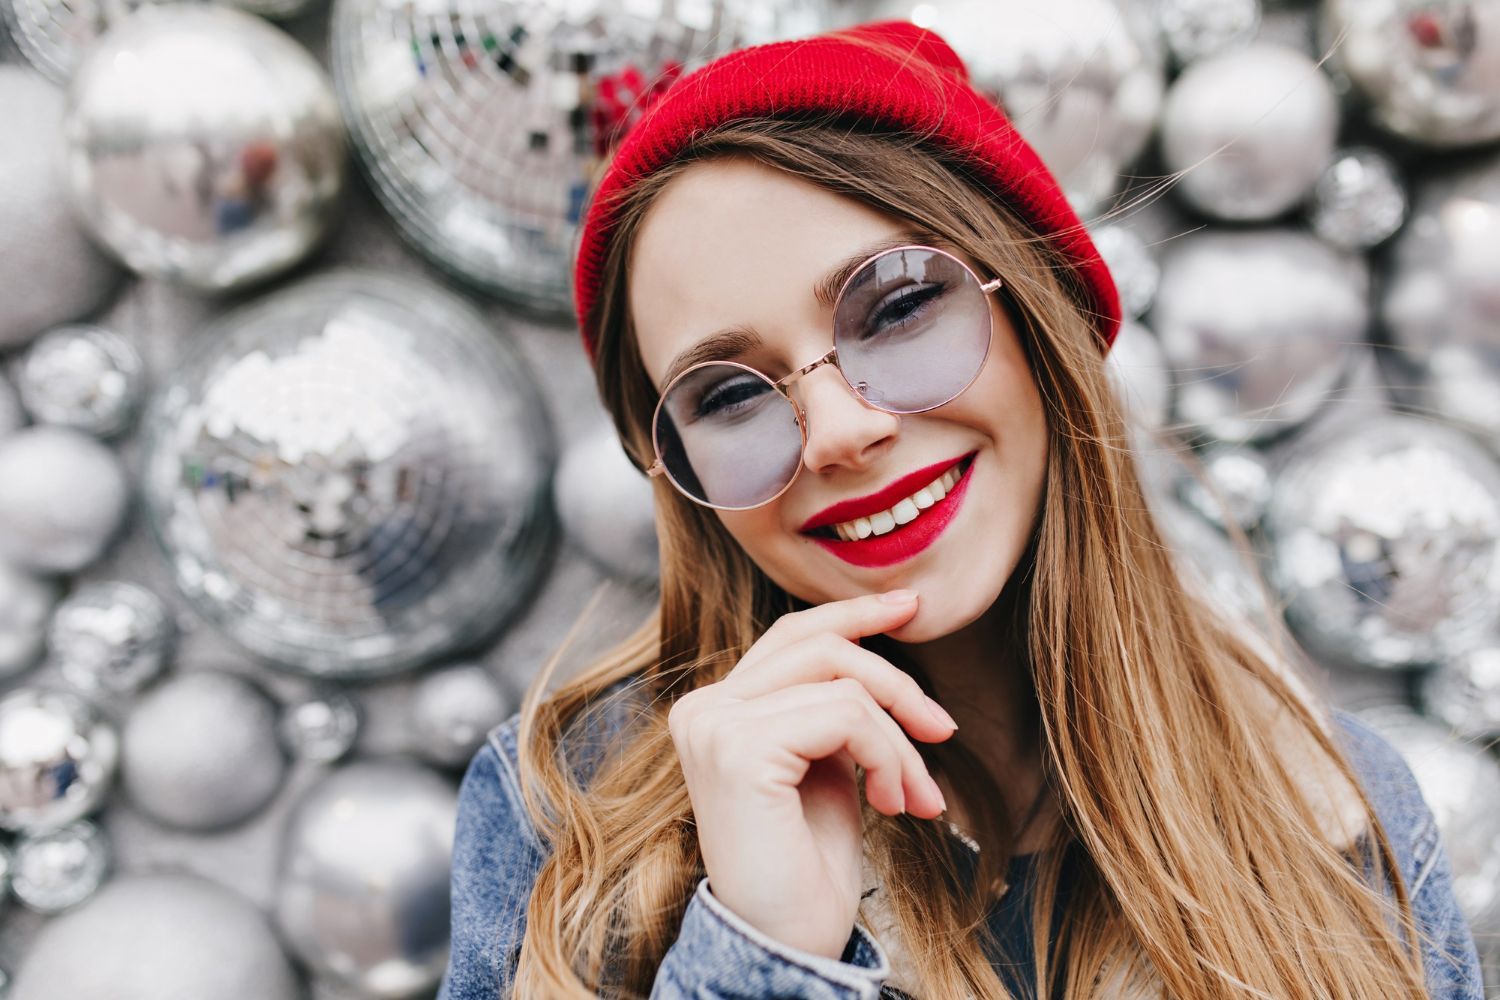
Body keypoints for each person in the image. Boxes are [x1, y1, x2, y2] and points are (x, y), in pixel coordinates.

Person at [437, 19, 1486, 1000]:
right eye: (728, 394)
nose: (839, 430)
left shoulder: (1338, 808)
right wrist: (757, 953)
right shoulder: (567, 816)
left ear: (1038, 307)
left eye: (895, 309)